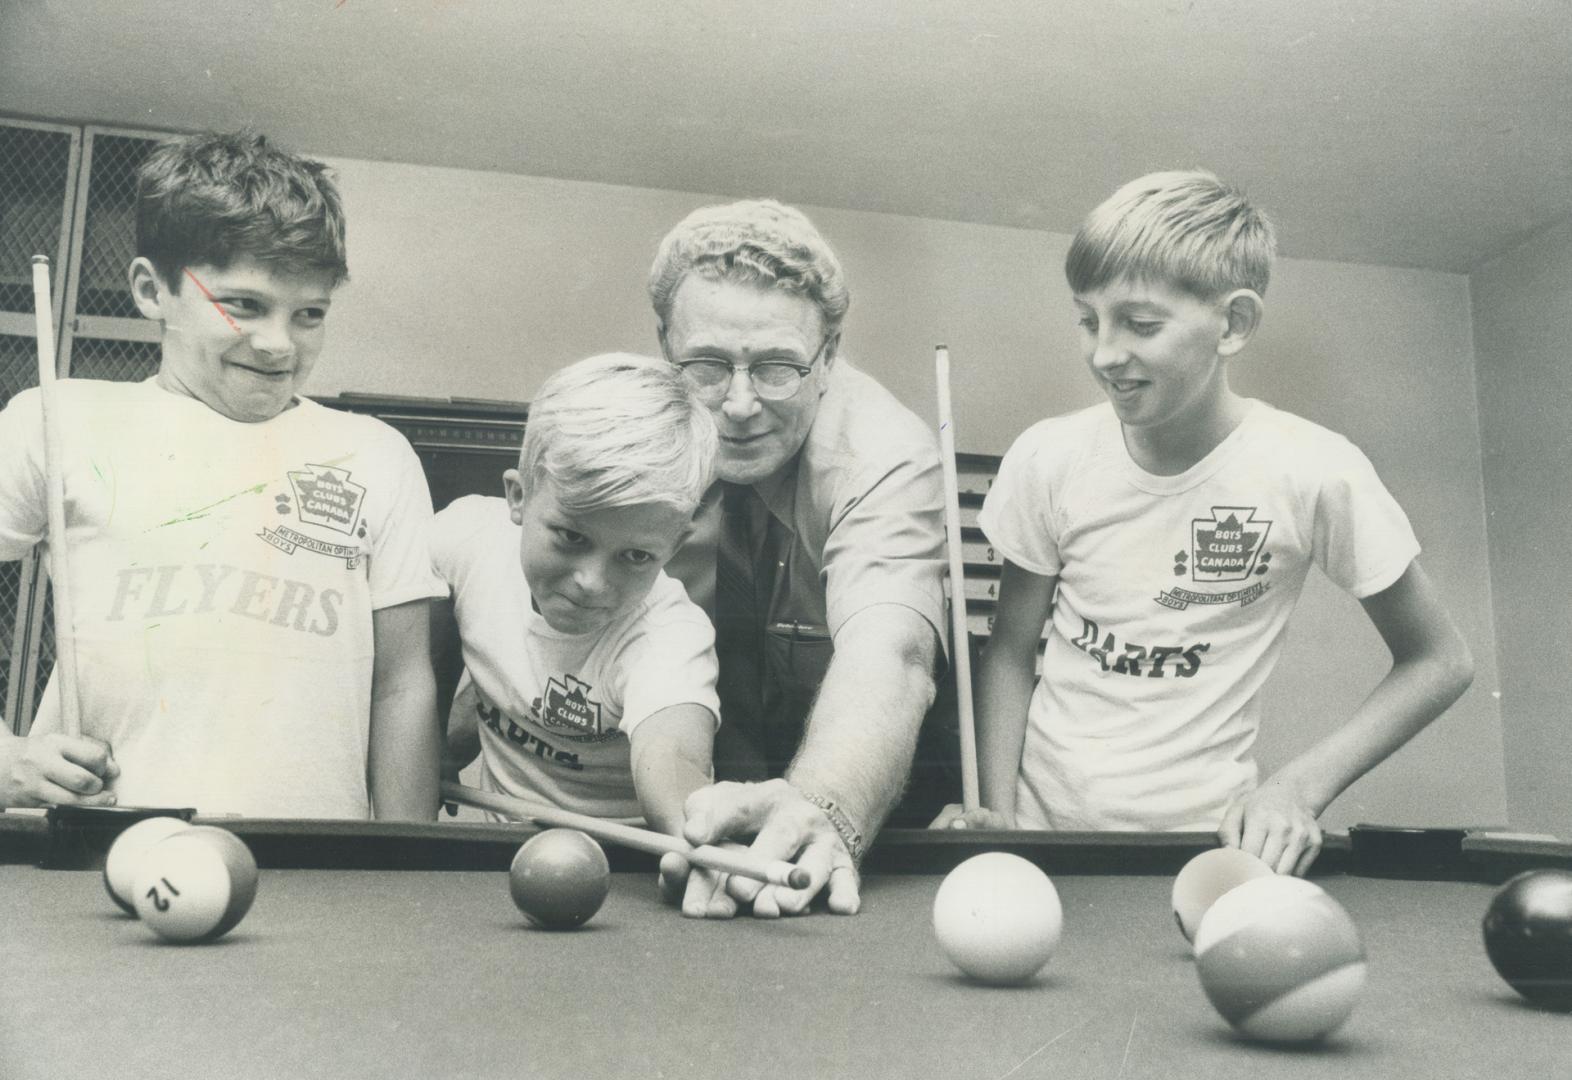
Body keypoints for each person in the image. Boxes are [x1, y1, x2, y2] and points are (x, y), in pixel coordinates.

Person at [936, 170, 1475, 875]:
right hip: (1041, 845)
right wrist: (999, 816)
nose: (1104, 353)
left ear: (1235, 323)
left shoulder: (1315, 470)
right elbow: (1009, 649)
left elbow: (1441, 661)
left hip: (1209, 851)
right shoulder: (1049, 456)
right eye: (1088, 319)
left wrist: (1296, 789)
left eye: (1140, 324)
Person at [0, 131, 444, 819]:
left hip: (322, 864)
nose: (278, 345)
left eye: (309, 315)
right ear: (153, 290)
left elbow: (403, 685)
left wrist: (408, 864)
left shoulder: (377, 453)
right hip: (96, 844)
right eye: (242, 305)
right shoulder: (55, 418)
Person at [648, 199, 949, 918]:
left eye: (778, 367)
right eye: (709, 366)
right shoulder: (641, 430)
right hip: (693, 804)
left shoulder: (885, 453)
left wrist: (820, 808)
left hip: (865, 813)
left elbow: (895, 651)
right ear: (664, 344)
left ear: (831, 352)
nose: (742, 405)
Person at [431, 353, 722, 845]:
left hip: (635, 868)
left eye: (634, 556)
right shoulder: (461, 541)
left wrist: (695, 828)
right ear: (518, 498)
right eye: (571, 537)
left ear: (673, 545)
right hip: (495, 855)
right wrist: (444, 738)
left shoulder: (669, 637)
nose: (592, 581)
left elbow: (671, 756)